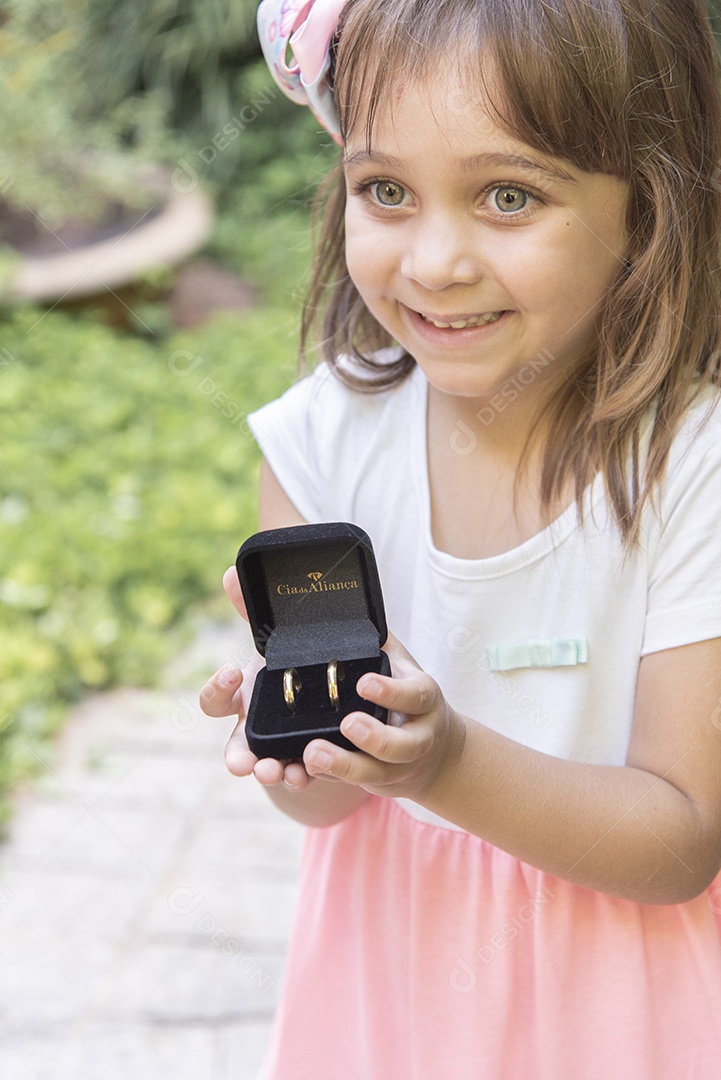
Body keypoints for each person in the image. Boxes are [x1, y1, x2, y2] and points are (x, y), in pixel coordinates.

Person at [200, 0, 721, 1075]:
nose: (434, 261)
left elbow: (681, 838)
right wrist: (309, 737)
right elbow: (334, 811)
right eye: (385, 191)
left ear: (648, 208)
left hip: (626, 1014)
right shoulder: (318, 444)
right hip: (391, 996)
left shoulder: (694, 469)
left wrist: (447, 763)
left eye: (506, 196)